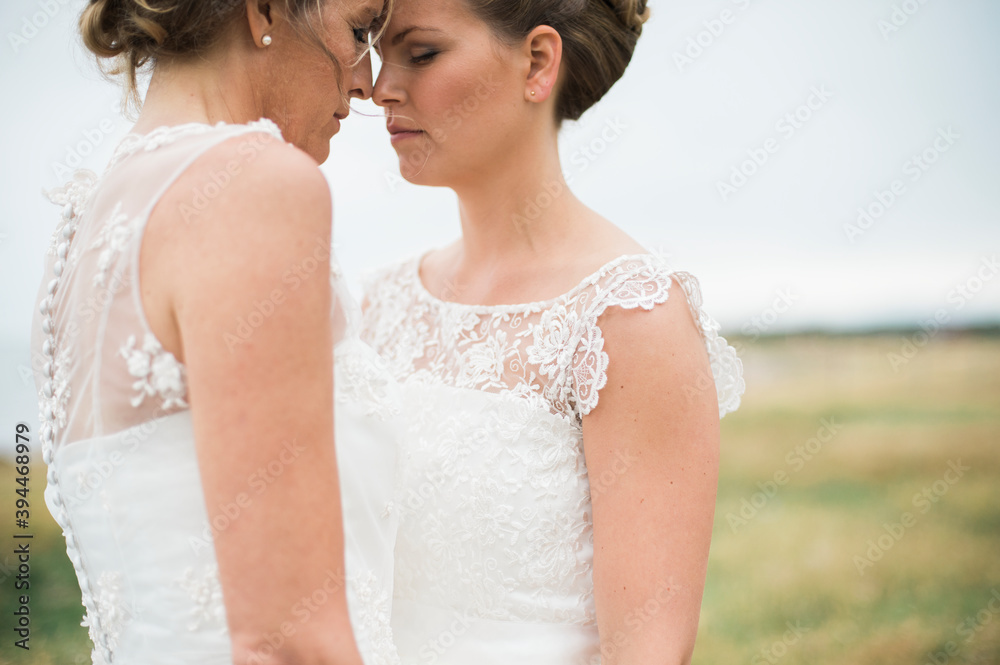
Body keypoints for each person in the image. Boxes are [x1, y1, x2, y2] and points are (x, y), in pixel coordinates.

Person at [360, 0, 746, 663]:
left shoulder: (630, 318)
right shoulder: (376, 303)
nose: (379, 89)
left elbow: (647, 650)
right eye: (376, 53)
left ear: (537, 62)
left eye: (421, 54)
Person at [30, 1, 402, 663]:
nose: (366, 81)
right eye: (358, 30)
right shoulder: (253, 187)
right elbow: (290, 641)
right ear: (263, 11)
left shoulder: (85, 227)